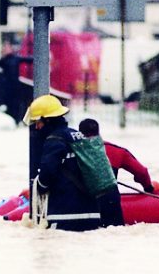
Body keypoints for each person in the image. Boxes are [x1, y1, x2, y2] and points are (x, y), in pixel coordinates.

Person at [23, 94, 101, 231]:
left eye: (38, 122)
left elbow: (46, 176)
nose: (36, 127)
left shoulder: (54, 141)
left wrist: (38, 186)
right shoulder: (78, 136)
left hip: (65, 216)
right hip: (92, 214)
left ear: (47, 120)